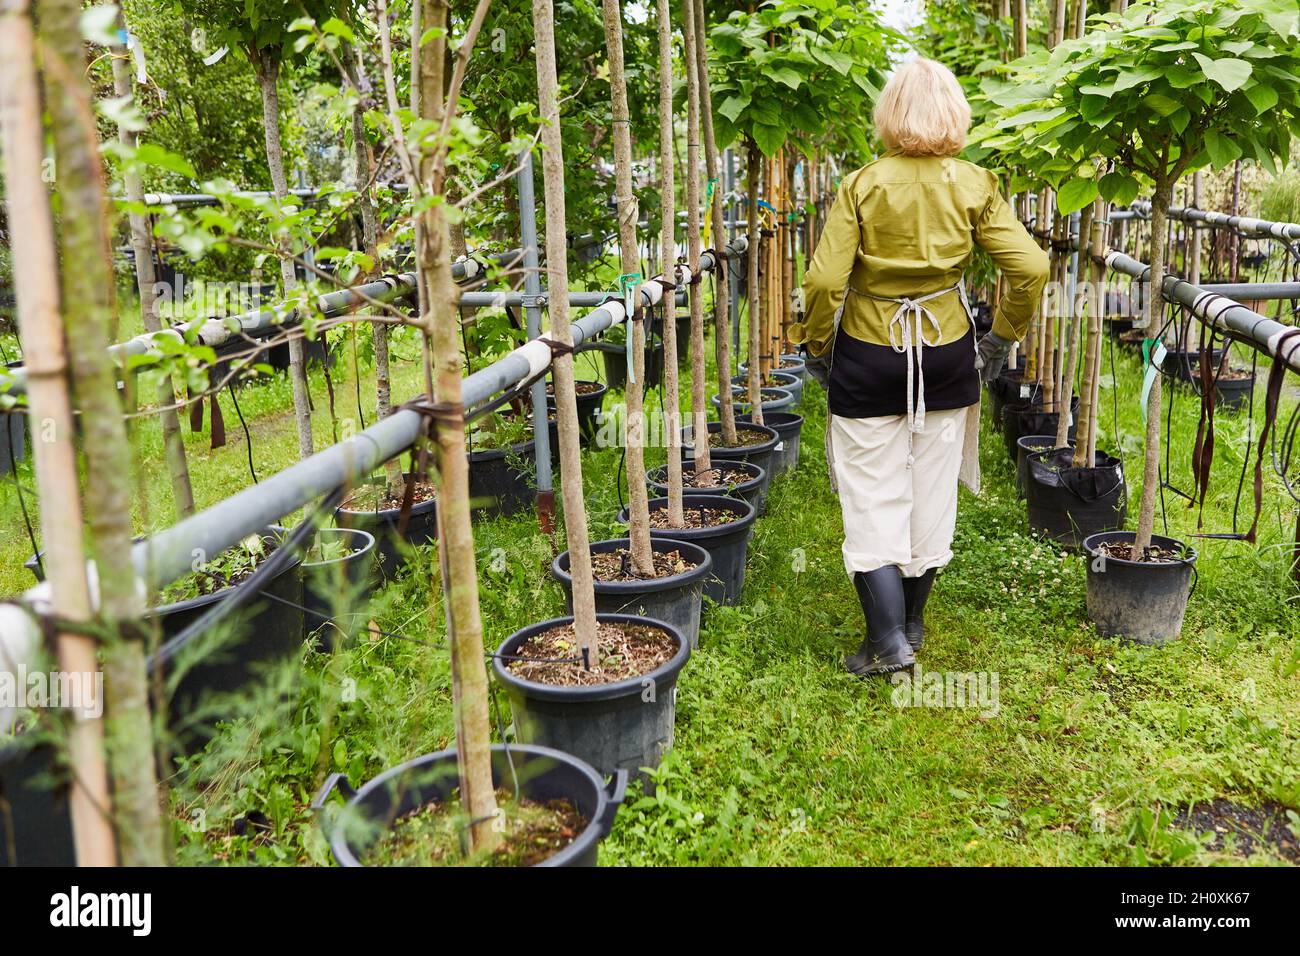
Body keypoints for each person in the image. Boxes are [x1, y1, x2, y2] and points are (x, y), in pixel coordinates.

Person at [790, 58, 1049, 678]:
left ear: (890, 116)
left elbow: (825, 280)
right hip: (947, 352)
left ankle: (886, 643)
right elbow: (1032, 268)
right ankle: (909, 623)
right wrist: (1001, 338)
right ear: (955, 116)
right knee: (931, 489)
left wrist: (818, 346)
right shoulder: (975, 184)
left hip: (868, 353)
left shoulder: (862, 185)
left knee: (871, 490)